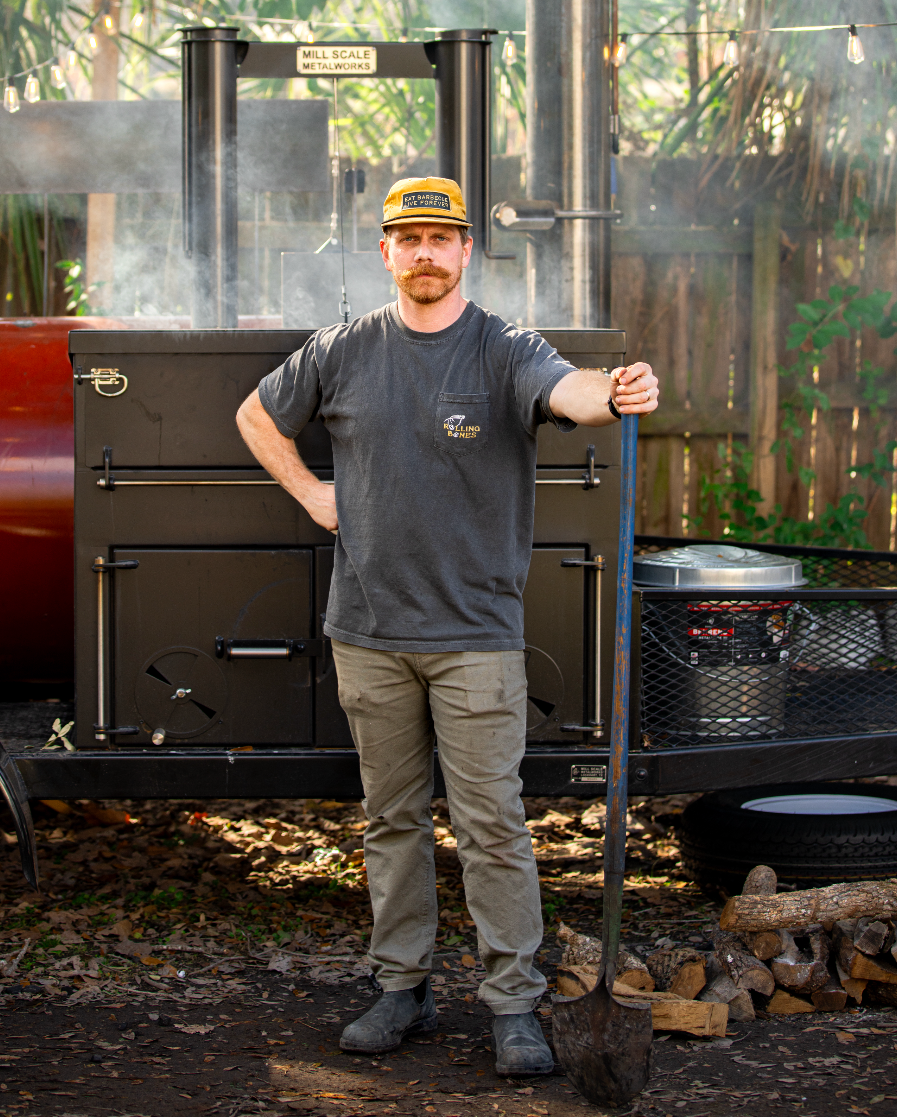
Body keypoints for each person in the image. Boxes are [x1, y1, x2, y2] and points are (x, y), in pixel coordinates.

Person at [236, 176, 659, 1077]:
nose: (425, 253)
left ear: (467, 249)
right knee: (390, 819)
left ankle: (513, 1004)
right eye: (409, 239)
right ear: (386, 252)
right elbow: (255, 414)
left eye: (441, 238)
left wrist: (617, 391)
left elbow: (571, 392)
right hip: (368, 634)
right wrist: (311, 492)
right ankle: (403, 988)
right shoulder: (342, 350)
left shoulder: (504, 349)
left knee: (491, 826)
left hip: (475, 638)